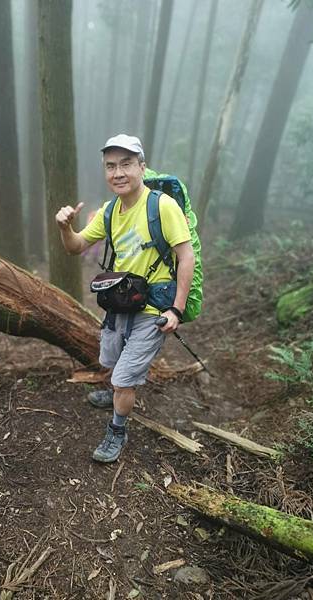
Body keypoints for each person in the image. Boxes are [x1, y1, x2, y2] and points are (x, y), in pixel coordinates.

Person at [55, 134, 195, 463]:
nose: (118, 173)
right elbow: (75, 247)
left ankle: (117, 429)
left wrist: (177, 308)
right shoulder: (109, 211)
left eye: (126, 164)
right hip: (121, 302)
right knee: (111, 361)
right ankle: (118, 390)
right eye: (111, 166)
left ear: (142, 168)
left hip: (155, 308)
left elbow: (186, 258)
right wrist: (64, 227)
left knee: (123, 378)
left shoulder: (163, 206)